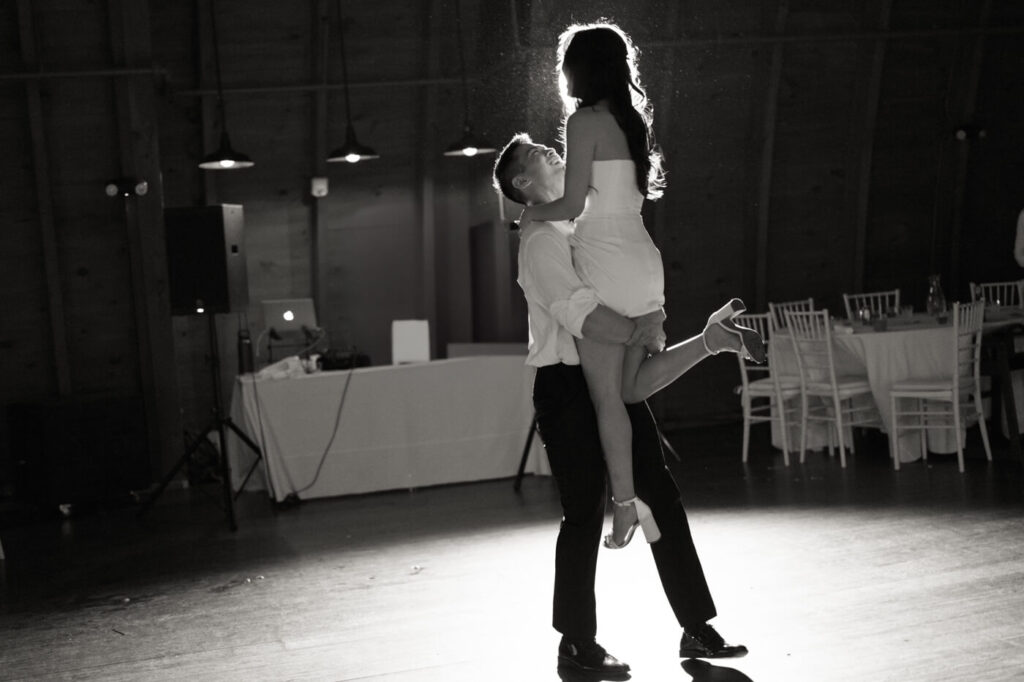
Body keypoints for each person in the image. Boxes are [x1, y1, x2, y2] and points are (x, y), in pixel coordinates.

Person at [493, 133, 749, 674]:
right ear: (523, 183)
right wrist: (642, 329)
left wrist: (660, 330)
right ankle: (576, 642)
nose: (556, 153)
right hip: (566, 389)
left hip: (602, 376)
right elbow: (581, 314)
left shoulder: (577, 225)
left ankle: (697, 628)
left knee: (661, 497)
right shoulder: (539, 239)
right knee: (584, 514)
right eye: (543, 154)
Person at [517, 23, 764, 550]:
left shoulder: (584, 121)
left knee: (609, 401)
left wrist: (528, 216)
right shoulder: (632, 123)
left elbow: (571, 204)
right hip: (640, 257)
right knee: (629, 390)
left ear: (579, 69)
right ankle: (711, 340)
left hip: (604, 259)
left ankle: (625, 506)